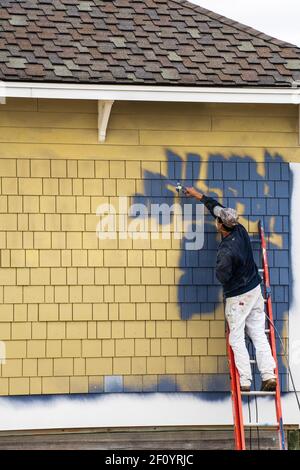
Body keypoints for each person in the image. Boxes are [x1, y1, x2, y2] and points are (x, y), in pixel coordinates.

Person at [185, 187, 277, 392]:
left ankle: (244, 380)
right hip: (255, 290)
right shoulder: (240, 229)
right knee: (258, 334)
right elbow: (215, 207)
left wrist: (223, 268)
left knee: (236, 336)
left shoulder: (227, 250)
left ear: (221, 226)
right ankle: (269, 375)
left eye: (217, 220)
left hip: (239, 296)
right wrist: (197, 194)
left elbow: (222, 276)